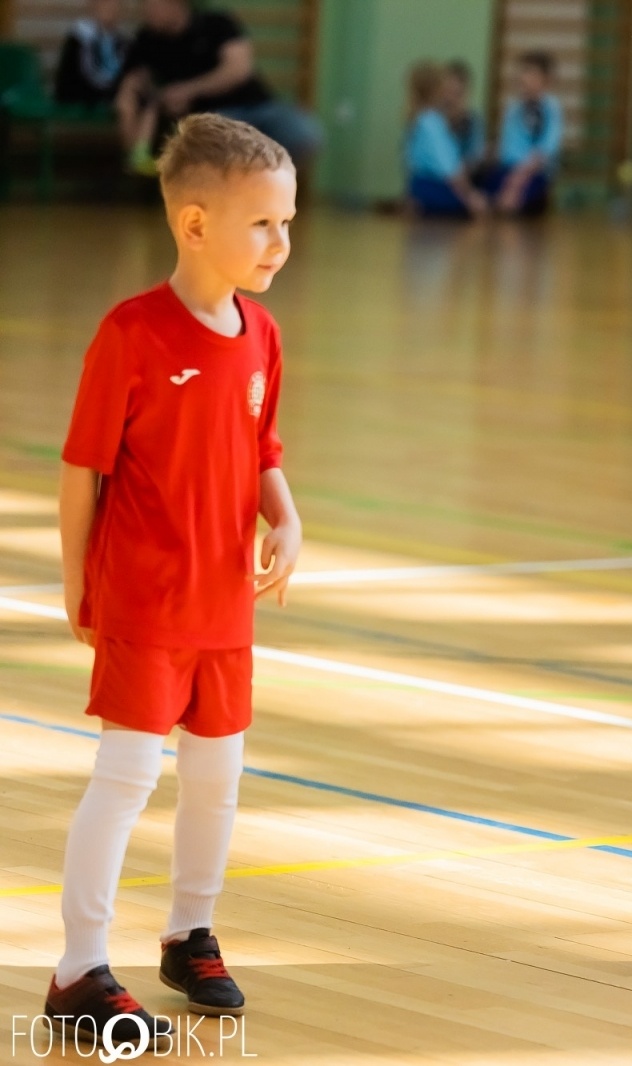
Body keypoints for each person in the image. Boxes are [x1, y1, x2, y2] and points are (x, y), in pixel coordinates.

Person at [44, 114, 301, 1042]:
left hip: (225, 605)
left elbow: (261, 447)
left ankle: (190, 934)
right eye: (262, 224)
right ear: (195, 225)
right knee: (125, 781)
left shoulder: (262, 332)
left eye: (287, 223)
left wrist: (286, 514)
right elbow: (83, 469)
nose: (281, 243)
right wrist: (78, 584)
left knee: (216, 781)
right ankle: (78, 969)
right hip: (146, 601)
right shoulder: (132, 333)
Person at [115, 0, 321, 175]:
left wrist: (187, 90)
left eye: (152, 4)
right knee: (220, 150)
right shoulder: (146, 40)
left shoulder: (216, 24)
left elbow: (238, 69)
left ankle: (267, 187)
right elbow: (134, 83)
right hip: (209, 118)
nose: (146, 10)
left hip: (259, 106)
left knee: (304, 134)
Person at [403, 61, 488, 219]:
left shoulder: (421, 120)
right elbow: (450, 169)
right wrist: (470, 198)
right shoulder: (432, 122)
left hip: (421, 184)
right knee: (479, 203)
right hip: (433, 186)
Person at [486, 51, 563, 216]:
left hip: (533, 173)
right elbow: (505, 147)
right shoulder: (513, 108)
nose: (523, 78)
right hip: (507, 170)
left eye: (530, 73)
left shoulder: (550, 109)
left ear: (545, 80)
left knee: (521, 198)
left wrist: (515, 183)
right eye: (522, 72)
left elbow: (544, 152)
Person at [53, 0, 130, 109]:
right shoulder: (78, 39)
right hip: (79, 105)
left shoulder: (122, 42)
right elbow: (71, 83)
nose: (110, 8)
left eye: (115, 3)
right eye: (105, 3)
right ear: (93, 5)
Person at [440, 59, 487, 174]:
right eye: (447, 92)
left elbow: (476, 156)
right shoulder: (431, 121)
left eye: (457, 94)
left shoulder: (473, 121)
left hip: (464, 175)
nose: (450, 99)